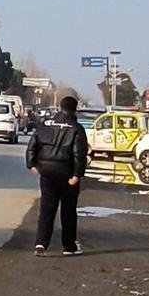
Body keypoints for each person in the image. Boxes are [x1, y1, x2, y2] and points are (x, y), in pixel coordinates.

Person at [26, 95, 89, 256]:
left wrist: (32, 165)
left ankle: (40, 244)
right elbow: (79, 155)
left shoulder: (45, 124)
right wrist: (77, 175)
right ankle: (68, 247)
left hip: (47, 174)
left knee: (47, 210)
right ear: (75, 109)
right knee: (68, 211)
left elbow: (32, 146)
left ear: (60, 107)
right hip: (67, 175)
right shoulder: (76, 128)